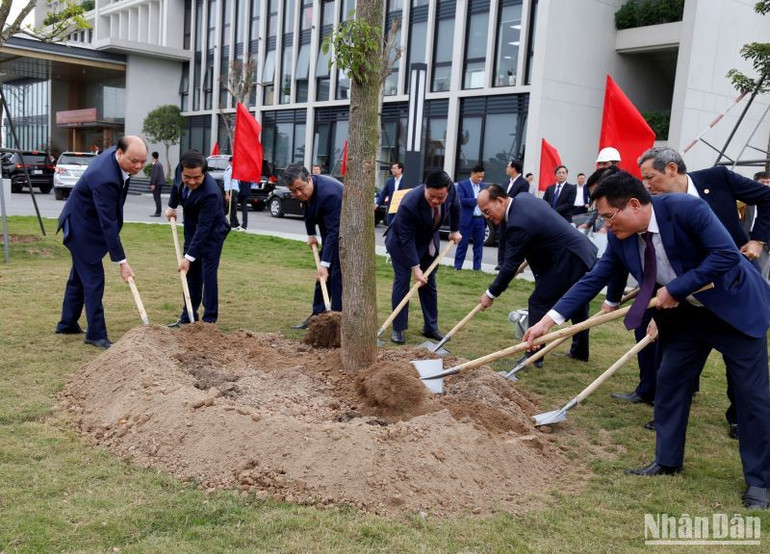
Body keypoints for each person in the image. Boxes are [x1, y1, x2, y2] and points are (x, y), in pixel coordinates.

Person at [524, 171, 770, 509]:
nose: (606, 225)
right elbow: (595, 278)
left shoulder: (687, 209)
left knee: (750, 397)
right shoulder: (621, 237)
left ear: (634, 204)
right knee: (669, 382)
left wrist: (676, 289)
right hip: (686, 318)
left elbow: (725, 255)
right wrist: (549, 321)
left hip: (734, 309)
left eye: (609, 216)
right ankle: (667, 461)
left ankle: (760, 483)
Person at [633, 146, 770, 438]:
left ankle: (739, 417)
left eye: (650, 177)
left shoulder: (717, 179)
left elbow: (767, 197)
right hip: (688, 290)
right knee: (678, 355)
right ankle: (671, 414)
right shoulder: (658, 205)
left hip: (732, 285)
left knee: (739, 359)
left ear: (672, 169)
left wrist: (758, 239)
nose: (646, 185)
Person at [479, 185, 596, 364]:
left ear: (500, 201)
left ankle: (534, 357)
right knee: (577, 304)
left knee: (539, 302)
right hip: (578, 253)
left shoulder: (518, 223)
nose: (487, 216)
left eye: (487, 211)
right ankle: (579, 352)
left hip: (568, 259)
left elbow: (510, 265)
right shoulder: (524, 198)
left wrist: (490, 294)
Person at [55, 135, 147, 349]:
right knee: (93, 281)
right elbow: (108, 223)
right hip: (81, 229)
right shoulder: (105, 178)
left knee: (78, 279)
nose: (139, 166)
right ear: (119, 153)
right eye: (134, 161)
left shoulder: (118, 158)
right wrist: (122, 262)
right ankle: (96, 335)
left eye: (143, 161)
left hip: (85, 222)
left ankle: (67, 324)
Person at [385, 170, 461, 344]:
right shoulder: (410, 202)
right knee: (403, 281)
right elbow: (407, 239)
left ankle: (430, 327)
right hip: (402, 244)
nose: (435, 201)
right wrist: (416, 268)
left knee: (429, 282)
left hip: (428, 241)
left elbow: (456, 207)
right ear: (426, 188)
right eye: (431, 196)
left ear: (447, 191)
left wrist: (454, 230)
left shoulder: (452, 191)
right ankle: (398, 328)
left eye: (440, 198)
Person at [166, 150, 230, 326]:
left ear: (204, 173)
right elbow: (176, 186)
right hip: (192, 228)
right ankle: (188, 316)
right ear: (182, 170)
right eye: (187, 177)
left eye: (197, 178)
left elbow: (204, 228)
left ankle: (209, 320)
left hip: (212, 233)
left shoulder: (211, 193)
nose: (192, 181)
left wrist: (188, 257)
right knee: (191, 274)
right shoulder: (181, 170)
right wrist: (172, 206)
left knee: (208, 274)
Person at [284, 163, 344, 330]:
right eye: (293, 191)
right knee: (322, 277)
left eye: (300, 189)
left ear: (309, 179)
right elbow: (307, 211)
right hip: (330, 228)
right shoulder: (305, 192)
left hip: (346, 232)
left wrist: (325, 264)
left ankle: (336, 319)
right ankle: (317, 316)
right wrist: (311, 234)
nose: (298, 194)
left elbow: (334, 232)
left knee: (336, 274)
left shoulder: (330, 195)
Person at [497, 160, 530, 269]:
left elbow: (521, 199)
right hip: (503, 215)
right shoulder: (506, 182)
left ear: (514, 168)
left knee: (513, 241)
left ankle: (511, 264)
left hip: (514, 215)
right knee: (502, 238)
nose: (506, 168)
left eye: (508, 166)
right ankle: (501, 263)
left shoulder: (523, 183)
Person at [454, 164, 487, 271]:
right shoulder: (463, 185)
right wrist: (477, 200)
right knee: (462, 245)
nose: (480, 179)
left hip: (480, 220)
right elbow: (461, 200)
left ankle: (477, 268)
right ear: (472, 174)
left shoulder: (483, 186)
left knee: (478, 246)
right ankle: (457, 266)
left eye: (482, 177)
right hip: (467, 220)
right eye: (478, 177)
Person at [223, 157, 242, 230]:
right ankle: (235, 224)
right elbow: (227, 183)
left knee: (228, 209)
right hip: (231, 191)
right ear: (230, 162)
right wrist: (227, 194)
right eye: (233, 162)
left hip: (235, 191)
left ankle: (218, 219)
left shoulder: (234, 170)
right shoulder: (229, 171)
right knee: (232, 209)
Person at [149, 151, 164, 217]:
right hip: (160, 183)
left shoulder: (155, 165)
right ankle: (158, 212)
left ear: (153, 156)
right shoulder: (159, 164)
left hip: (157, 184)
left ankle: (158, 212)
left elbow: (155, 175)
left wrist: (153, 184)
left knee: (157, 198)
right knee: (158, 198)